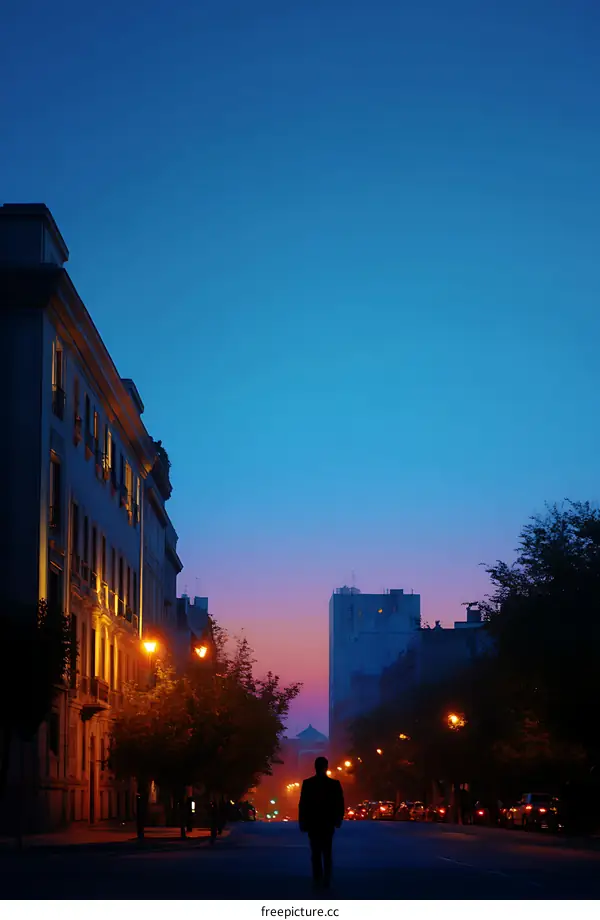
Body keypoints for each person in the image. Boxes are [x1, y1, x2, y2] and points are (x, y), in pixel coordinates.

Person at [299, 756, 345, 888]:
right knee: (327, 850)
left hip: (313, 822)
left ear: (315, 767)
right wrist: (338, 819)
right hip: (327, 822)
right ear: (326, 767)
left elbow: (303, 804)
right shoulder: (333, 784)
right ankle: (327, 877)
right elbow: (339, 803)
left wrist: (302, 822)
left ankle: (317, 876)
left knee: (315, 851)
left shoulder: (308, 784)